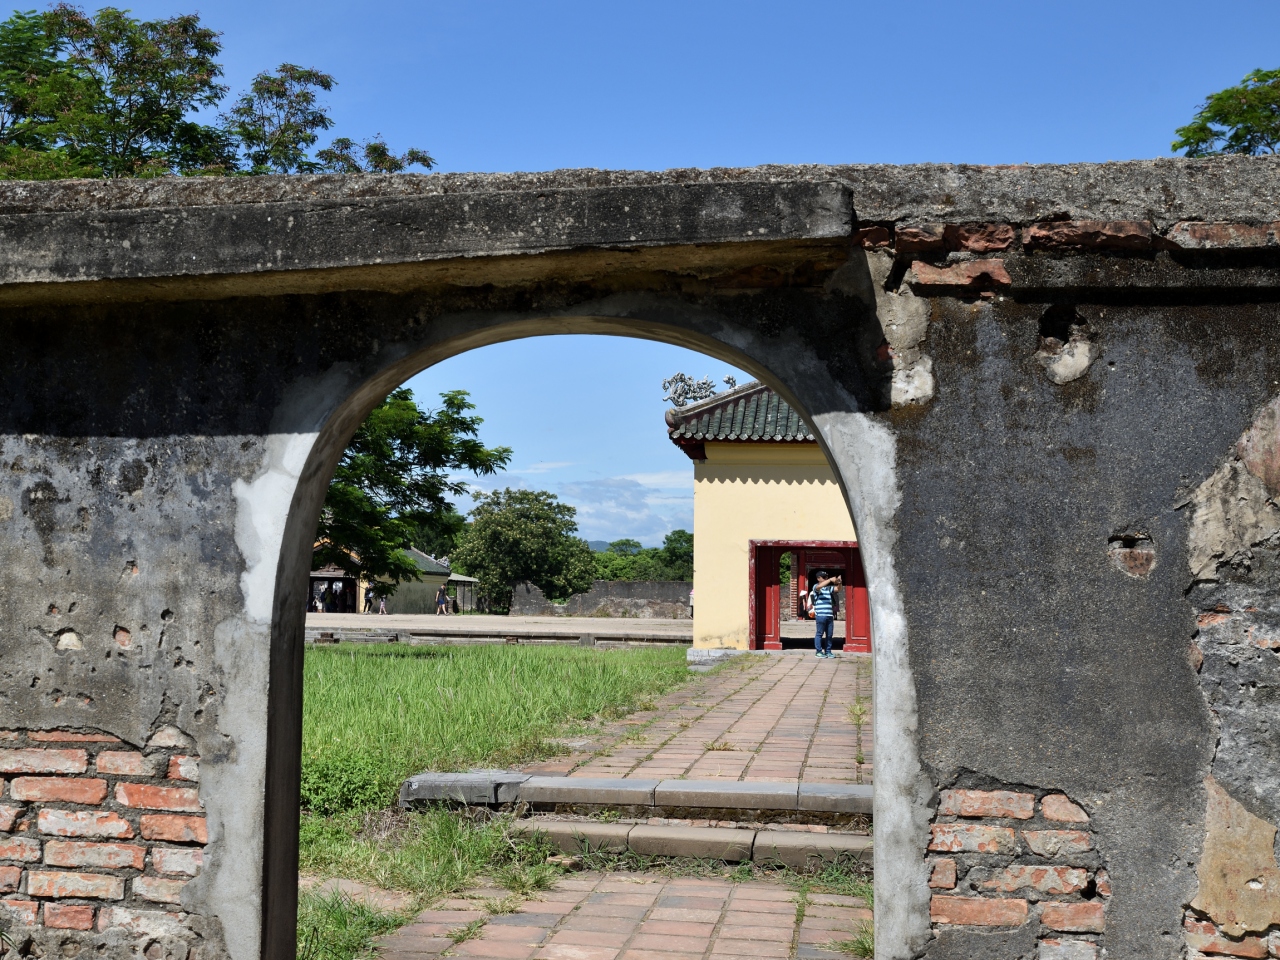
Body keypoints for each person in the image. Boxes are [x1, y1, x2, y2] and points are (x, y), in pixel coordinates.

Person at [807, 570, 842, 659]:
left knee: (829, 635)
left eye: (826, 577)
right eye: (824, 577)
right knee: (819, 633)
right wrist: (830, 580)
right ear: (818, 578)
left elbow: (838, 589)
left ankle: (828, 651)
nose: (826, 578)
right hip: (821, 615)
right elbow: (819, 587)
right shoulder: (816, 587)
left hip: (829, 615)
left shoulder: (828, 588)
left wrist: (839, 583)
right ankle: (818, 651)